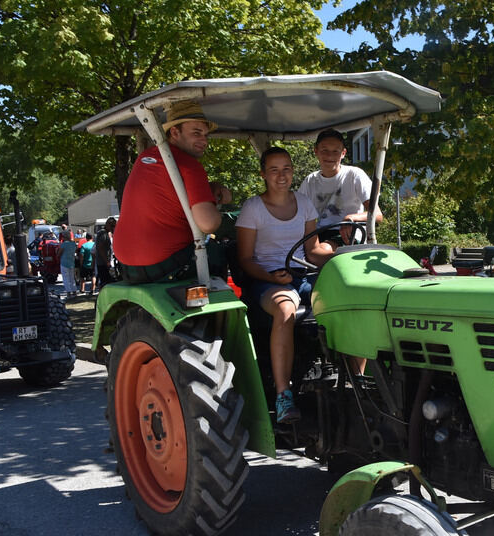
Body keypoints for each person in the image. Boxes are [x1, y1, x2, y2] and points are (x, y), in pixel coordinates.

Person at [236, 147, 334, 424]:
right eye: (274, 170)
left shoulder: (303, 203)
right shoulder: (253, 208)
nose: (282, 176)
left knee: (345, 301)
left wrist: (338, 257)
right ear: (263, 174)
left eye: (287, 169)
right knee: (285, 308)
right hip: (265, 280)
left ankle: (356, 382)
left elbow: (312, 251)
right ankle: (283, 395)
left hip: (301, 276)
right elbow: (245, 259)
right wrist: (271, 277)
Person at [113, 100, 232, 282]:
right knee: (229, 251)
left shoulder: (144, 158)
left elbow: (167, 197)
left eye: (206, 135)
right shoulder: (189, 166)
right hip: (164, 265)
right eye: (196, 133)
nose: (204, 141)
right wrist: (216, 206)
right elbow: (208, 224)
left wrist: (209, 189)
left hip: (127, 266)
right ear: (175, 132)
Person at [297, 129, 381, 244]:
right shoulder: (310, 180)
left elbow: (377, 214)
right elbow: (297, 213)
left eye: (335, 151)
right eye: (324, 150)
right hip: (319, 234)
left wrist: (350, 218)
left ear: (343, 153)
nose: (329, 156)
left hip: (349, 235)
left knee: (318, 252)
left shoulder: (354, 175)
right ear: (316, 151)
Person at [95, 217, 117, 289]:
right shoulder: (103, 234)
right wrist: (107, 261)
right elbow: (100, 248)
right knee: (105, 282)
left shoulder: (106, 233)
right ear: (108, 225)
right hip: (103, 263)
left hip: (105, 261)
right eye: (112, 226)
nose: (113, 228)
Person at [56, 230, 78, 298]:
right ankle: (74, 291)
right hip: (71, 262)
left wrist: (57, 253)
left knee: (66, 278)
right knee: (72, 278)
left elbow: (59, 254)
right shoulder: (73, 243)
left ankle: (68, 292)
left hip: (64, 262)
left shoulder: (63, 244)